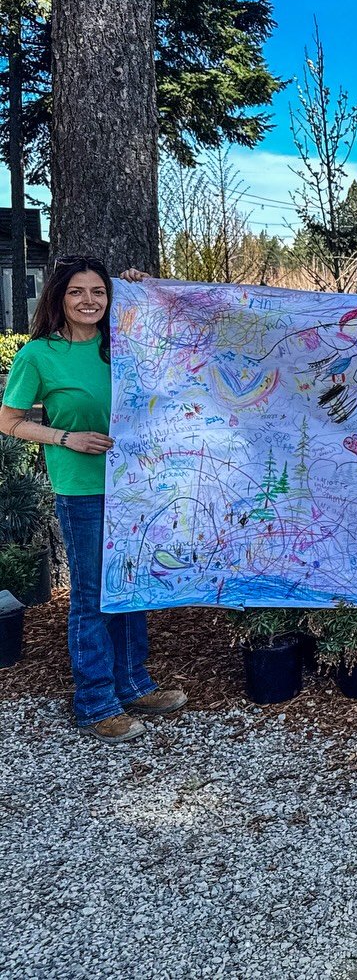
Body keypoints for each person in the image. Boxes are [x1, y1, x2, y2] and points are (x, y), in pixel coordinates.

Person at [0, 257, 188, 743]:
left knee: (130, 586)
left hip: (136, 487)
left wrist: (146, 291)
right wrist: (66, 437)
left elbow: (174, 341)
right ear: (59, 298)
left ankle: (133, 682)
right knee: (92, 595)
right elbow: (9, 420)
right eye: (77, 292)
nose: (89, 302)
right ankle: (96, 700)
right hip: (83, 489)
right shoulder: (39, 355)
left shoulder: (121, 345)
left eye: (99, 293)